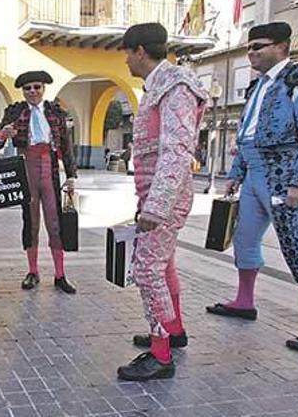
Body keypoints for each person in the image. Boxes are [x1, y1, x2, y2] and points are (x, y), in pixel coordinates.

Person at [206, 22, 298, 353]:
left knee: (296, 246)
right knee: (243, 239)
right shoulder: (257, 87)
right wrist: (237, 171)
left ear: (282, 46)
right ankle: (244, 300)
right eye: (249, 47)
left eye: (259, 46)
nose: (252, 53)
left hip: (283, 175)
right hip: (255, 172)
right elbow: (246, 136)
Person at [113, 23, 208, 381]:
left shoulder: (174, 86)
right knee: (163, 264)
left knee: (147, 269)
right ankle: (175, 329)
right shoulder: (164, 85)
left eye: (126, 52)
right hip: (157, 194)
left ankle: (161, 351)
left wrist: (155, 206)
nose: (125, 60)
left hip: (164, 198)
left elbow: (176, 151)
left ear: (139, 51)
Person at [0, 71, 77, 294]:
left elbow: (66, 147)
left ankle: (60, 274)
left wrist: (71, 176)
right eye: (28, 88)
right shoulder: (15, 112)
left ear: (43, 88)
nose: (32, 91)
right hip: (26, 168)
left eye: (37, 87)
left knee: (55, 222)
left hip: (50, 169)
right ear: (23, 91)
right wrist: (3, 134)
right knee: (31, 222)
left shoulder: (55, 113)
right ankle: (33, 271)